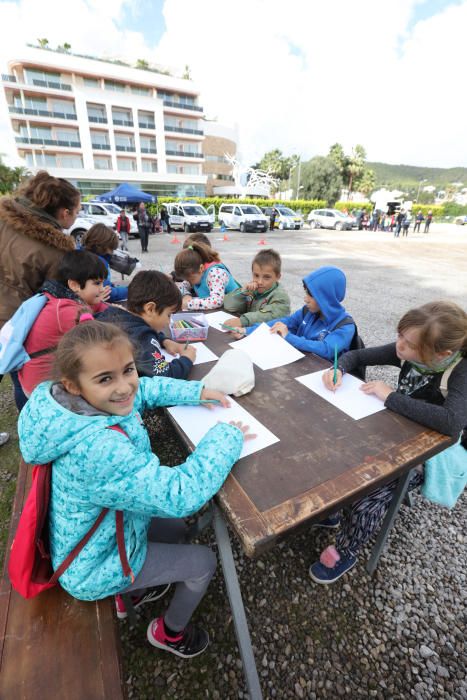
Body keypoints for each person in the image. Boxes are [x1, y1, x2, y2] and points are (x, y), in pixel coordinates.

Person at [18, 320, 253, 658]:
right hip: (95, 567)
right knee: (204, 561)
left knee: (175, 530)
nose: (124, 386)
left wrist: (195, 392)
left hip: (105, 529)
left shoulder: (78, 409)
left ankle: (139, 591)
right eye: (105, 379)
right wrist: (227, 436)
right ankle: (170, 632)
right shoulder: (99, 449)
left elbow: (142, 390)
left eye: (127, 369)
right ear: (73, 385)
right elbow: (179, 494)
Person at [309, 300, 467, 584]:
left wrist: (392, 397)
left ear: (442, 353)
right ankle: (333, 511)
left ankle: (347, 549)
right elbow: (356, 356)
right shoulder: (409, 349)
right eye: (399, 336)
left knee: (365, 497)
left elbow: (452, 424)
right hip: (395, 430)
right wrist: (338, 370)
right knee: (336, 455)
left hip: (428, 454)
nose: (399, 346)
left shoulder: (459, 371)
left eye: (408, 344)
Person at [0, 170, 80, 409]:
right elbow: (57, 294)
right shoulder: (54, 249)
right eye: (77, 211)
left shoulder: (3, 219)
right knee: (21, 377)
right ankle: (32, 428)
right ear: (64, 213)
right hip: (14, 323)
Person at [18, 250, 108, 398]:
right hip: (43, 387)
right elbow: (94, 341)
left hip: (33, 377)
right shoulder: (66, 311)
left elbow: (93, 305)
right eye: (97, 283)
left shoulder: (56, 297)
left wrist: (109, 307)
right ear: (74, 285)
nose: (102, 289)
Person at [234, 266, 355, 362]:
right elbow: (282, 323)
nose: (305, 299)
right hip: (300, 365)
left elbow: (326, 349)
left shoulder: (345, 326)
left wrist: (289, 336)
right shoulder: (307, 311)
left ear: (327, 298)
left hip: (324, 379)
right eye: (306, 293)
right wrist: (247, 330)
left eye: (311, 295)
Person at [98, 271, 196, 379]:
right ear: (150, 309)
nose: (169, 322)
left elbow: (142, 327)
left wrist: (165, 341)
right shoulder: (141, 337)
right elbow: (165, 376)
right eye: (168, 315)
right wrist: (187, 359)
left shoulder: (114, 314)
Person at [223, 249, 291, 329]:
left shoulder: (281, 297)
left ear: (277, 277)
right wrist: (243, 292)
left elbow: (269, 316)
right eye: (256, 275)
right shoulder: (252, 290)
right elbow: (228, 305)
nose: (260, 282)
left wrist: (243, 321)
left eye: (266, 277)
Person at [174, 242, 239, 310]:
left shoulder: (215, 273)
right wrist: (186, 295)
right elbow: (183, 286)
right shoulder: (195, 274)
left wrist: (188, 304)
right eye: (187, 280)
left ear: (201, 268)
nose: (189, 282)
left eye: (191, 279)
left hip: (235, 310)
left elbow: (216, 301)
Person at [81, 224, 127, 303]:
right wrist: (129, 290)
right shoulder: (98, 263)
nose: (112, 252)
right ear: (104, 246)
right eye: (111, 248)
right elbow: (106, 293)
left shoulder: (80, 253)